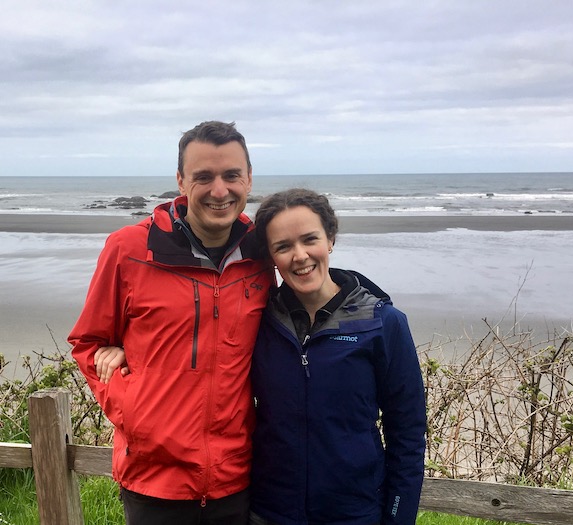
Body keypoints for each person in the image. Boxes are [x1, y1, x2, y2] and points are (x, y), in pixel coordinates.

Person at [69, 120, 275, 524]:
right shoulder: (129, 249)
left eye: (232, 175)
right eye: (204, 177)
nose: (220, 190)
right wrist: (132, 410)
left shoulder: (261, 253)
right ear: (181, 181)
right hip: (153, 478)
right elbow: (88, 343)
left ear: (249, 179)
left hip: (237, 476)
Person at [250, 188, 427, 524]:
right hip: (268, 513)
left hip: (353, 515)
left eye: (309, 239)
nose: (299, 256)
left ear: (330, 239)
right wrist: (122, 346)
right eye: (283, 247)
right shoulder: (258, 323)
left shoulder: (383, 324)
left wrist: (398, 517)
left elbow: (407, 434)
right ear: (271, 256)